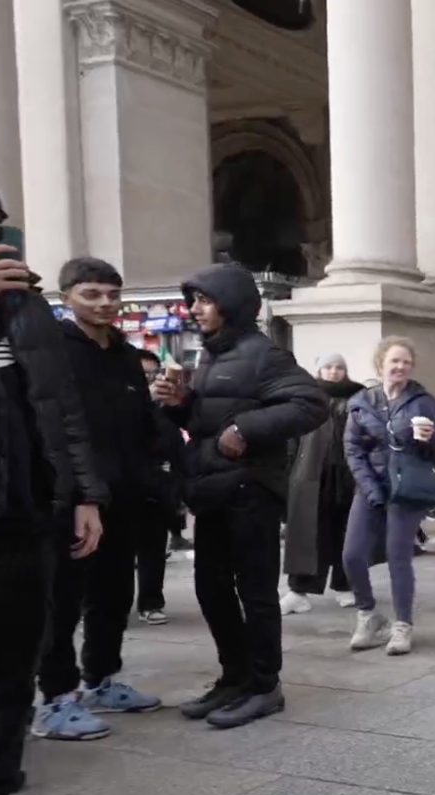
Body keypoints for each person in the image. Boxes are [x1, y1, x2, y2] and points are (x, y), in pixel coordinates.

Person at [0, 163, 105, 795]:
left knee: (7, 662)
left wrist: (83, 494)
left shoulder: (25, 305)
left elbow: (61, 409)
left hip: (25, 516)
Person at [150, 263, 326, 729]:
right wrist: (181, 405)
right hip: (213, 492)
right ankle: (234, 677)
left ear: (229, 303)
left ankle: (265, 685)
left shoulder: (264, 355)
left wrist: (246, 428)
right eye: (193, 301)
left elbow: (310, 403)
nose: (195, 309)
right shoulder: (209, 357)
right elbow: (206, 424)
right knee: (211, 589)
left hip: (251, 492)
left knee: (256, 593)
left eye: (204, 300)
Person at [33, 257, 165, 741]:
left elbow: (138, 425)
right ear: (66, 297)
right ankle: (55, 699)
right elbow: (57, 430)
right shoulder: (53, 351)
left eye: (112, 294)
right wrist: (80, 495)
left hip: (125, 493)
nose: (105, 303)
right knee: (63, 600)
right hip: (72, 497)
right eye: (91, 294)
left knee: (113, 594)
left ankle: (101, 679)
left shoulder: (127, 355)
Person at [341, 337, 435, 655]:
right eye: (395, 361)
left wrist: (431, 439)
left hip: (408, 488)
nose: (401, 366)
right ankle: (368, 615)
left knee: (397, 555)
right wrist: (370, 489)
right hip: (371, 486)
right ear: (381, 365)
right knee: (352, 554)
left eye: (406, 361)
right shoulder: (362, 402)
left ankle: (402, 625)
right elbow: (352, 449)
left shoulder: (423, 401)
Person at [281, 354, 363, 615]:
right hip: (311, 475)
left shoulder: (358, 397)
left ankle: (344, 585)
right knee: (307, 534)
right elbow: (291, 438)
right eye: (329, 367)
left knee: (346, 533)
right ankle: (298, 590)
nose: (334, 372)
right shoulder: (306, 396)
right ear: (319, 370)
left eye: (340, 367)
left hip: (348, 477)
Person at [133, 348, 183, 625]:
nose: (149, 379)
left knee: (153, 548)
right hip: (120, 487)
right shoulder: (116, 402)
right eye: (142, 374)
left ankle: (151, 602)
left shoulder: (165, 409)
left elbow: (175, 445)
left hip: (157, 488)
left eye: (153, 373)